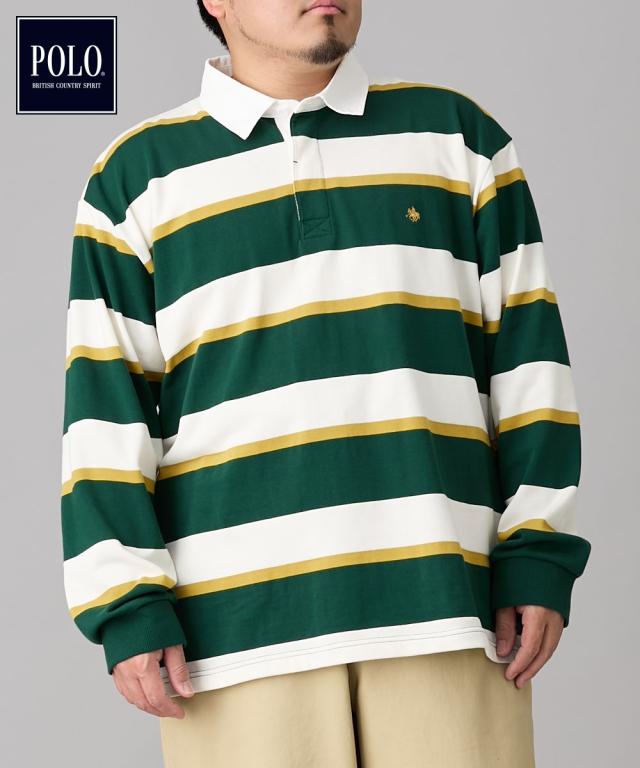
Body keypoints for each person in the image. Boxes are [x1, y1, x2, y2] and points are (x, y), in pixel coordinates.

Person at [60, 1, 591, 765]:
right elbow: (106, 414)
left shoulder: (457, 139)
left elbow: (531, 367)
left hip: (448, 611)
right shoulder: (136, 179)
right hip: (233, 638)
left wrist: (536, 551)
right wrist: (127, 604)